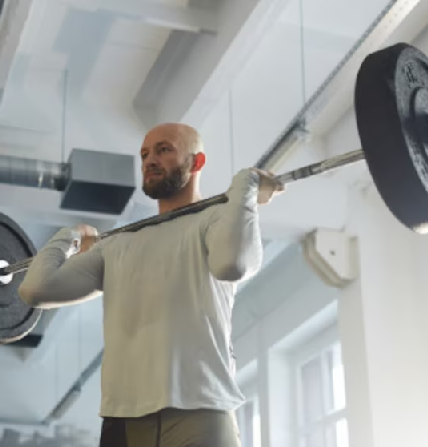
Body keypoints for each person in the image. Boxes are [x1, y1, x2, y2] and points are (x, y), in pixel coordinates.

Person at [18, 123, 285, 447]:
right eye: (144, 154)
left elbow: (233, 264)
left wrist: (246, 187)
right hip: (123, 418)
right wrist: (69, 237)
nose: (149, 160)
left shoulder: (215, 219)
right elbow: (36, 289)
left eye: (164, 149)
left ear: (197, 162)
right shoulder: (117, 244)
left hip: (201, 406)